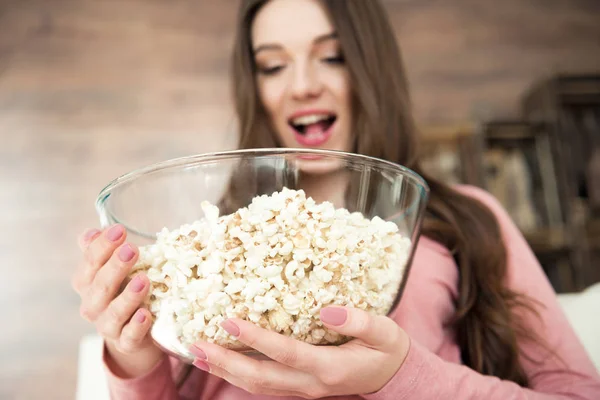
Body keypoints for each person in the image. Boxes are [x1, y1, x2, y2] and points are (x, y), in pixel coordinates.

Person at [71, 0, 600, 399]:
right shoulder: (207, 252)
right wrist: (133, 354)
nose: (302, 85)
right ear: (255, 88)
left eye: (331, 56)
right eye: (273, 66)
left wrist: (402, 376)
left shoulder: (465, 220)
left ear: (369, 70)